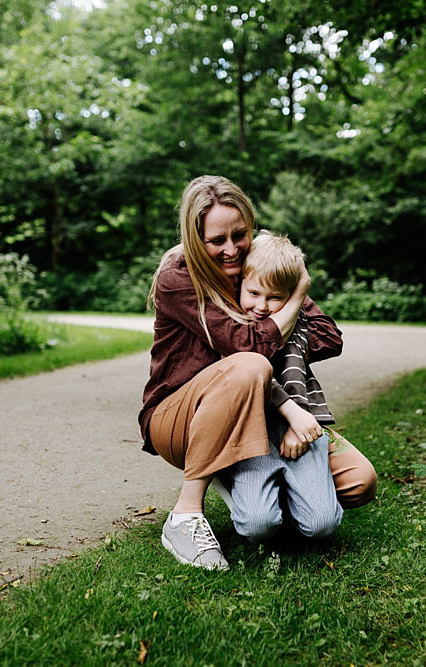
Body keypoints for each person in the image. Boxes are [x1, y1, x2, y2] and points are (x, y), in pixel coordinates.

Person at [140, 175, 377, 571]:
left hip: (263, 411)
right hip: (181, 416)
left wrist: (279, 301)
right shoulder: (178, 278)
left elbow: (327, 336)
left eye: (240, 234)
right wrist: (296, 296)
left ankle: (271, 497)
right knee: (251, 362)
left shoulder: (255, 270)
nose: (231, 250)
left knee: (360, 480)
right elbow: (249, 349)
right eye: (217, 241)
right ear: (195, 238)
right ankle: (185, 514)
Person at [222, 231, 351, 542]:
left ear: (292, 296)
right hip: (251, 427)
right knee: (257, 526)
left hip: (300, 424)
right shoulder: (229, 321)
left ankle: (293, 498)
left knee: (322, 524)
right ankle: (246, 488)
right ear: (241, 284)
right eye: (253, 293)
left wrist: (298, 422)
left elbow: (308, 358)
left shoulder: (294, 321)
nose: (263, 307)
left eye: (275, 297)